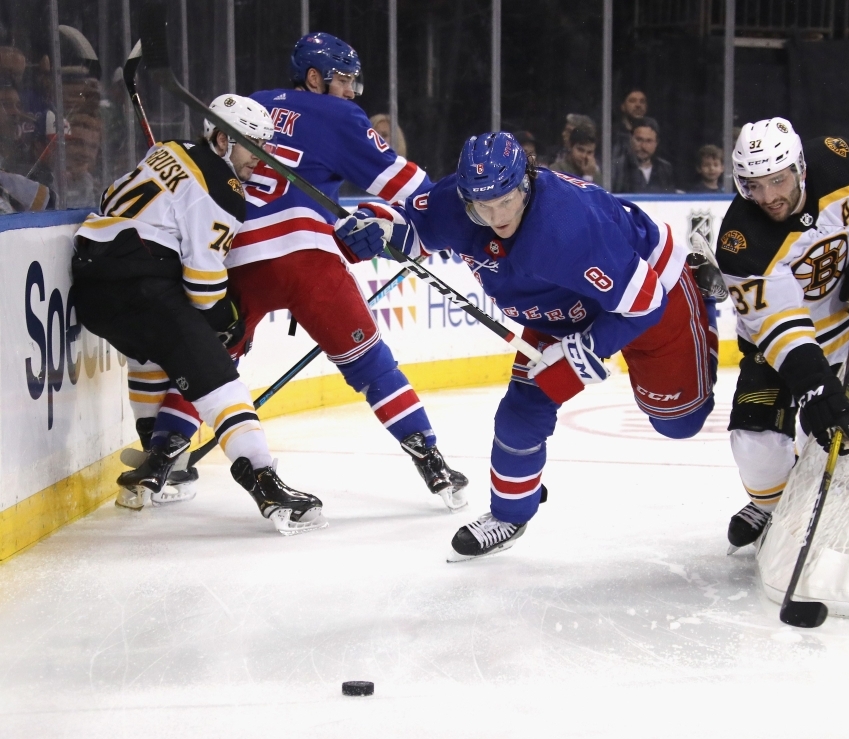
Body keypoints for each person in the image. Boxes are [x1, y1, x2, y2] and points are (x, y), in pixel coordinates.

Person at [336, 132, 719, 561]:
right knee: (521, 413)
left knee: (678, 423)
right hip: (556, 310)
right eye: (483, 206)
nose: (497, 215)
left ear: (526, 183)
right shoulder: (464, 199)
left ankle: (698, 283)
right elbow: (409, 226)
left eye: (506, 201)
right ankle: (509, 514)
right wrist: (376, 224)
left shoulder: (568, 228)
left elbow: (646, 302)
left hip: (649, 289)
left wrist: (585, 352)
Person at [225, 32, 468, 509]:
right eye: (343, 81)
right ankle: (432, 462)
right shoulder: (337, 115)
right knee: (373, 366)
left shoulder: (251, 104)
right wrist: (453, 221)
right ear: (313, 78)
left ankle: (161, 456)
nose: (352, 92)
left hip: (238, 257)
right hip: (307, 257)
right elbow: (406, 184)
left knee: (210, 365)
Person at [71, 94, 328, 535]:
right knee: (219, 379)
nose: (261, 159)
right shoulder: (224, 192)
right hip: (142, 283)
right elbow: (204, 286)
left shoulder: (167, 149)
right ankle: (264, 481)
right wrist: (224, 321)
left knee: (150, 354)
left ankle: (154, 465)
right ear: (223, 139)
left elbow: (109, 195)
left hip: (92, 286)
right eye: (254, 146)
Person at [715, 117, 849, 550]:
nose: (767, 197)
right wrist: (817, 389)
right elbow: (781, 327)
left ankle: (813, 496)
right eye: (753, 185)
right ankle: (772, 506)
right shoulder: (741, 240)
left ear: (800, 168)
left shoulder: (840, 161)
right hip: (779, 349)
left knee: (842, 448)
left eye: (777, 181)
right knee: (752, 441)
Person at [611, 117, 676, 194]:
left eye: (649, 141)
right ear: (630, 139)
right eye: (639, 140)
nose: (643, 146)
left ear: (656, 143)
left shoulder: (665, 168)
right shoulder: (616, 167)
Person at [612, 88, 649, 159]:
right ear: (623, 106)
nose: (638, 105)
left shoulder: (652, 131)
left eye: (642, 101)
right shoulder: (613, 133)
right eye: (632, 101)